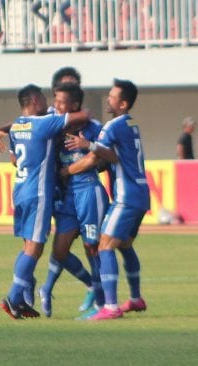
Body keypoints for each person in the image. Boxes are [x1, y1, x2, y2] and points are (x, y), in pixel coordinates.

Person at [0, 84, 89, 320]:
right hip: (38, 194)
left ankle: (22, 300)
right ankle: (13, 298)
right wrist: (60, 113)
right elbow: (84, 115)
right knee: (35, 248)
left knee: (28, 247)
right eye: (46, 100)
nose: (50, 104)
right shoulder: (45, 123)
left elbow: (14, 161)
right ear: (35, 100)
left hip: (20, 190)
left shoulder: (16, 126)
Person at [65, 78, 150, 321]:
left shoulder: (113, 126)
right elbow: (114, 156)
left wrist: (85, 145)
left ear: (122, 104)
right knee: (124, 245)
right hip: (142, 193)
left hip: (126, 195)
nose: (108, 99)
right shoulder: (132, 124)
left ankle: (110, 306)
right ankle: (135, 298)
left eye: (112, 96)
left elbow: (101, 156)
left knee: (105, 245)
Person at [38, 82, 109, 319]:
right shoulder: (53, 124)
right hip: (68, 197)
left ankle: (101, 303)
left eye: (60, 102)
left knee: (93, 247)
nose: (55, 106)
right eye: (55, 100)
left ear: (75, 105)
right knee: (60, 249)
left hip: (89, 191)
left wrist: (68, 171)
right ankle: (57, 288)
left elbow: (96, 159)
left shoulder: (92, 128)